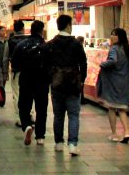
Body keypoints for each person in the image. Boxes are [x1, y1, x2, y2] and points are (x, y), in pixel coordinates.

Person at [46, 14, 86, 156]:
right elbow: (83, 63)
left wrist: (50, 78)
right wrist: (82, 79)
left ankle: (58, 143)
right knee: (74, 115)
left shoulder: (51, 44)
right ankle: (73, 144)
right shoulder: (76, 44)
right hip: (73, 83)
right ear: (68, 25)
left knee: (58, 115)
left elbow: (46, 64)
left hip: (56, 84)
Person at [11, 20, 49, 146]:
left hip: (26, 79)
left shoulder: (21, 45)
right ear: (41, 31)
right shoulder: (45, 46)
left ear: (30, 30)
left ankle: (27, 125)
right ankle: (40, 136)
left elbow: (15, 63)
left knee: (24, 106)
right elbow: (51, 64)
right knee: (41, 108)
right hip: (42, 81)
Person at [98, 27, 129, 143]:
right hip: (125, 81)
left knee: (112, 108)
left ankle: (114, 134)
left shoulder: (114, 49)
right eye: (111, 34)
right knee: (122, 108)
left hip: (114, 82)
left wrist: (103, 64)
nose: (112, 36)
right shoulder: (126, 49)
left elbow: (113, 60)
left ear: (119, 37)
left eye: (114, 35)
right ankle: (127, 131)